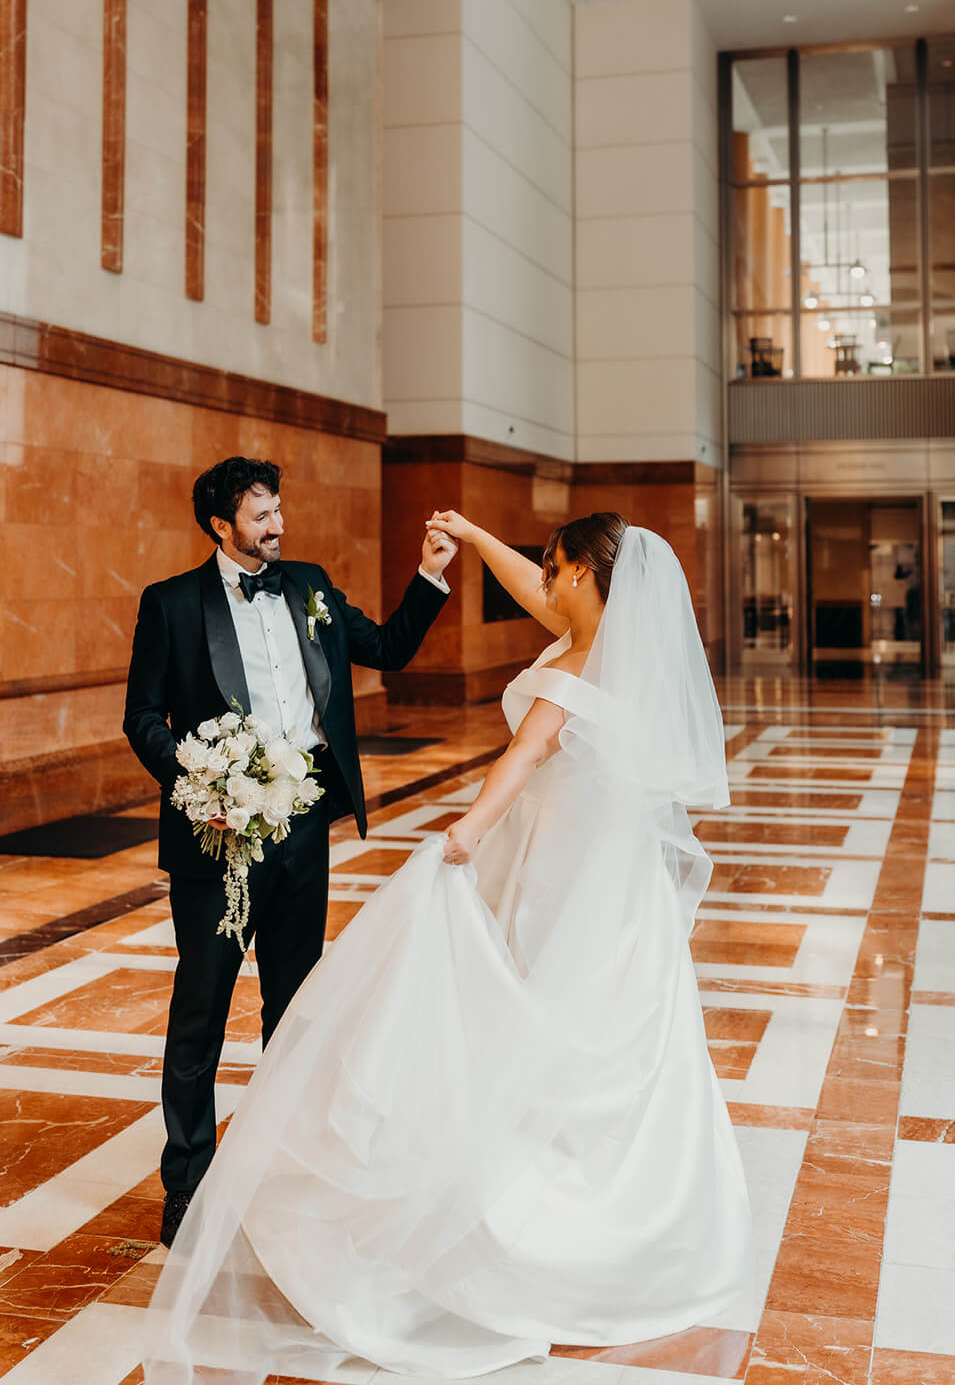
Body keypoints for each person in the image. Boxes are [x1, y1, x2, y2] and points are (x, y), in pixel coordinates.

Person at [142, 511, 752, 1384]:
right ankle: (651, 1219)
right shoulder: (620, 644)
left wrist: (460, 833)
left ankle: (532, 1228)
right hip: (615, 884)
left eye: (554, 566)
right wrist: (471, 536)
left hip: (554, 873)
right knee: (621, 1037)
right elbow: (529, 594)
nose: (542, 578)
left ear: (581, 574)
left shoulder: (575, 664)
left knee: (528, 1023)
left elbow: (525, 755)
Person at [123, 456, 456, 1250]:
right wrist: (203, 781)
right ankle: (188, 1184)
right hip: (220, 834)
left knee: (294, 1007)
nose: (278, 525)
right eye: (261, 514)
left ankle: (285, 1167)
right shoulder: (170, 603)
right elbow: (143, 719)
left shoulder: (307, 584)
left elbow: (390, 648)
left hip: (304, 826)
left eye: (278, 509)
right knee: (200, 1010)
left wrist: (430, 578)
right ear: (220, 525)